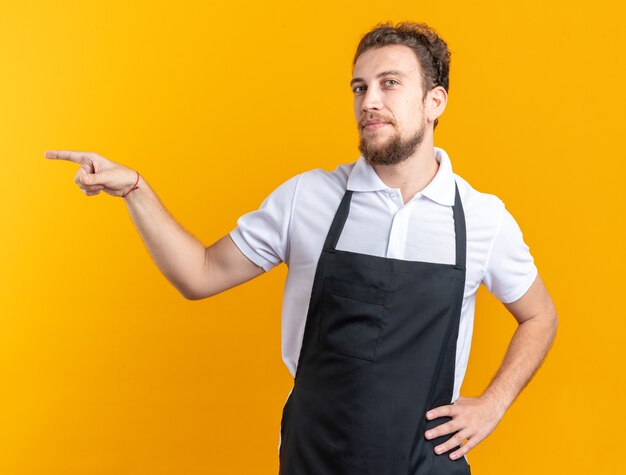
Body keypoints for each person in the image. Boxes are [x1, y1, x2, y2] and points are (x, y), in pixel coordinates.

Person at [45, 21, 558, 475]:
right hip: (315, 458)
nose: (369, 101)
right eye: (359, 87)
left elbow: (540, 316)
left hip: (424, 465)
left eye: (389, 84)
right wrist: (136, 188)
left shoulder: (482, 219)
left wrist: (493, 404)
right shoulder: (308, 198)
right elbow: (198, 274)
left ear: (435, 101)